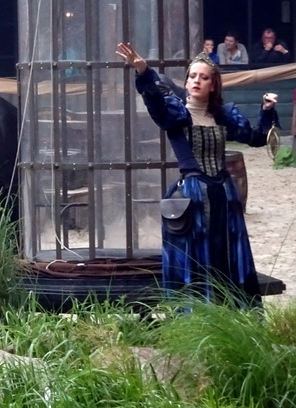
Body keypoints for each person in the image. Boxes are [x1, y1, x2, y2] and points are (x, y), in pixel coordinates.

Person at [114, 42, 278, 305]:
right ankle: (196, 317)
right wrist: (143, 70)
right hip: (192, 197)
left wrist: (267, 110)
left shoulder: (223, 115)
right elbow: (154, 101)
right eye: (192, 76)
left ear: (213, 85)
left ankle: (232, 315)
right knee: (194, 259)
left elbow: (255, 138)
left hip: (224, 196)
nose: (196, 81)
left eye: (203, 77)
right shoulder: (176, 113)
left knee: (226, 255)